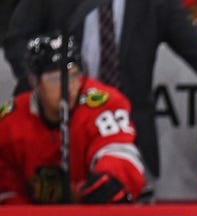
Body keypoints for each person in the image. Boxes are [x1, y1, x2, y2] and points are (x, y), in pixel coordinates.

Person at [3, 0, 197, 182]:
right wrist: (42, 86)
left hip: (129, 138)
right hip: (56, 139)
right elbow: (18, 39)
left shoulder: (156, 3)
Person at [0, 34, 145, 205]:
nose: (68, 86)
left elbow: (120, 153)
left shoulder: (104, 104)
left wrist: (110, 178)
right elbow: (7, 191)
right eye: (56, 79)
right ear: (34, 82)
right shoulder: (10, 122)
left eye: (74, 75)